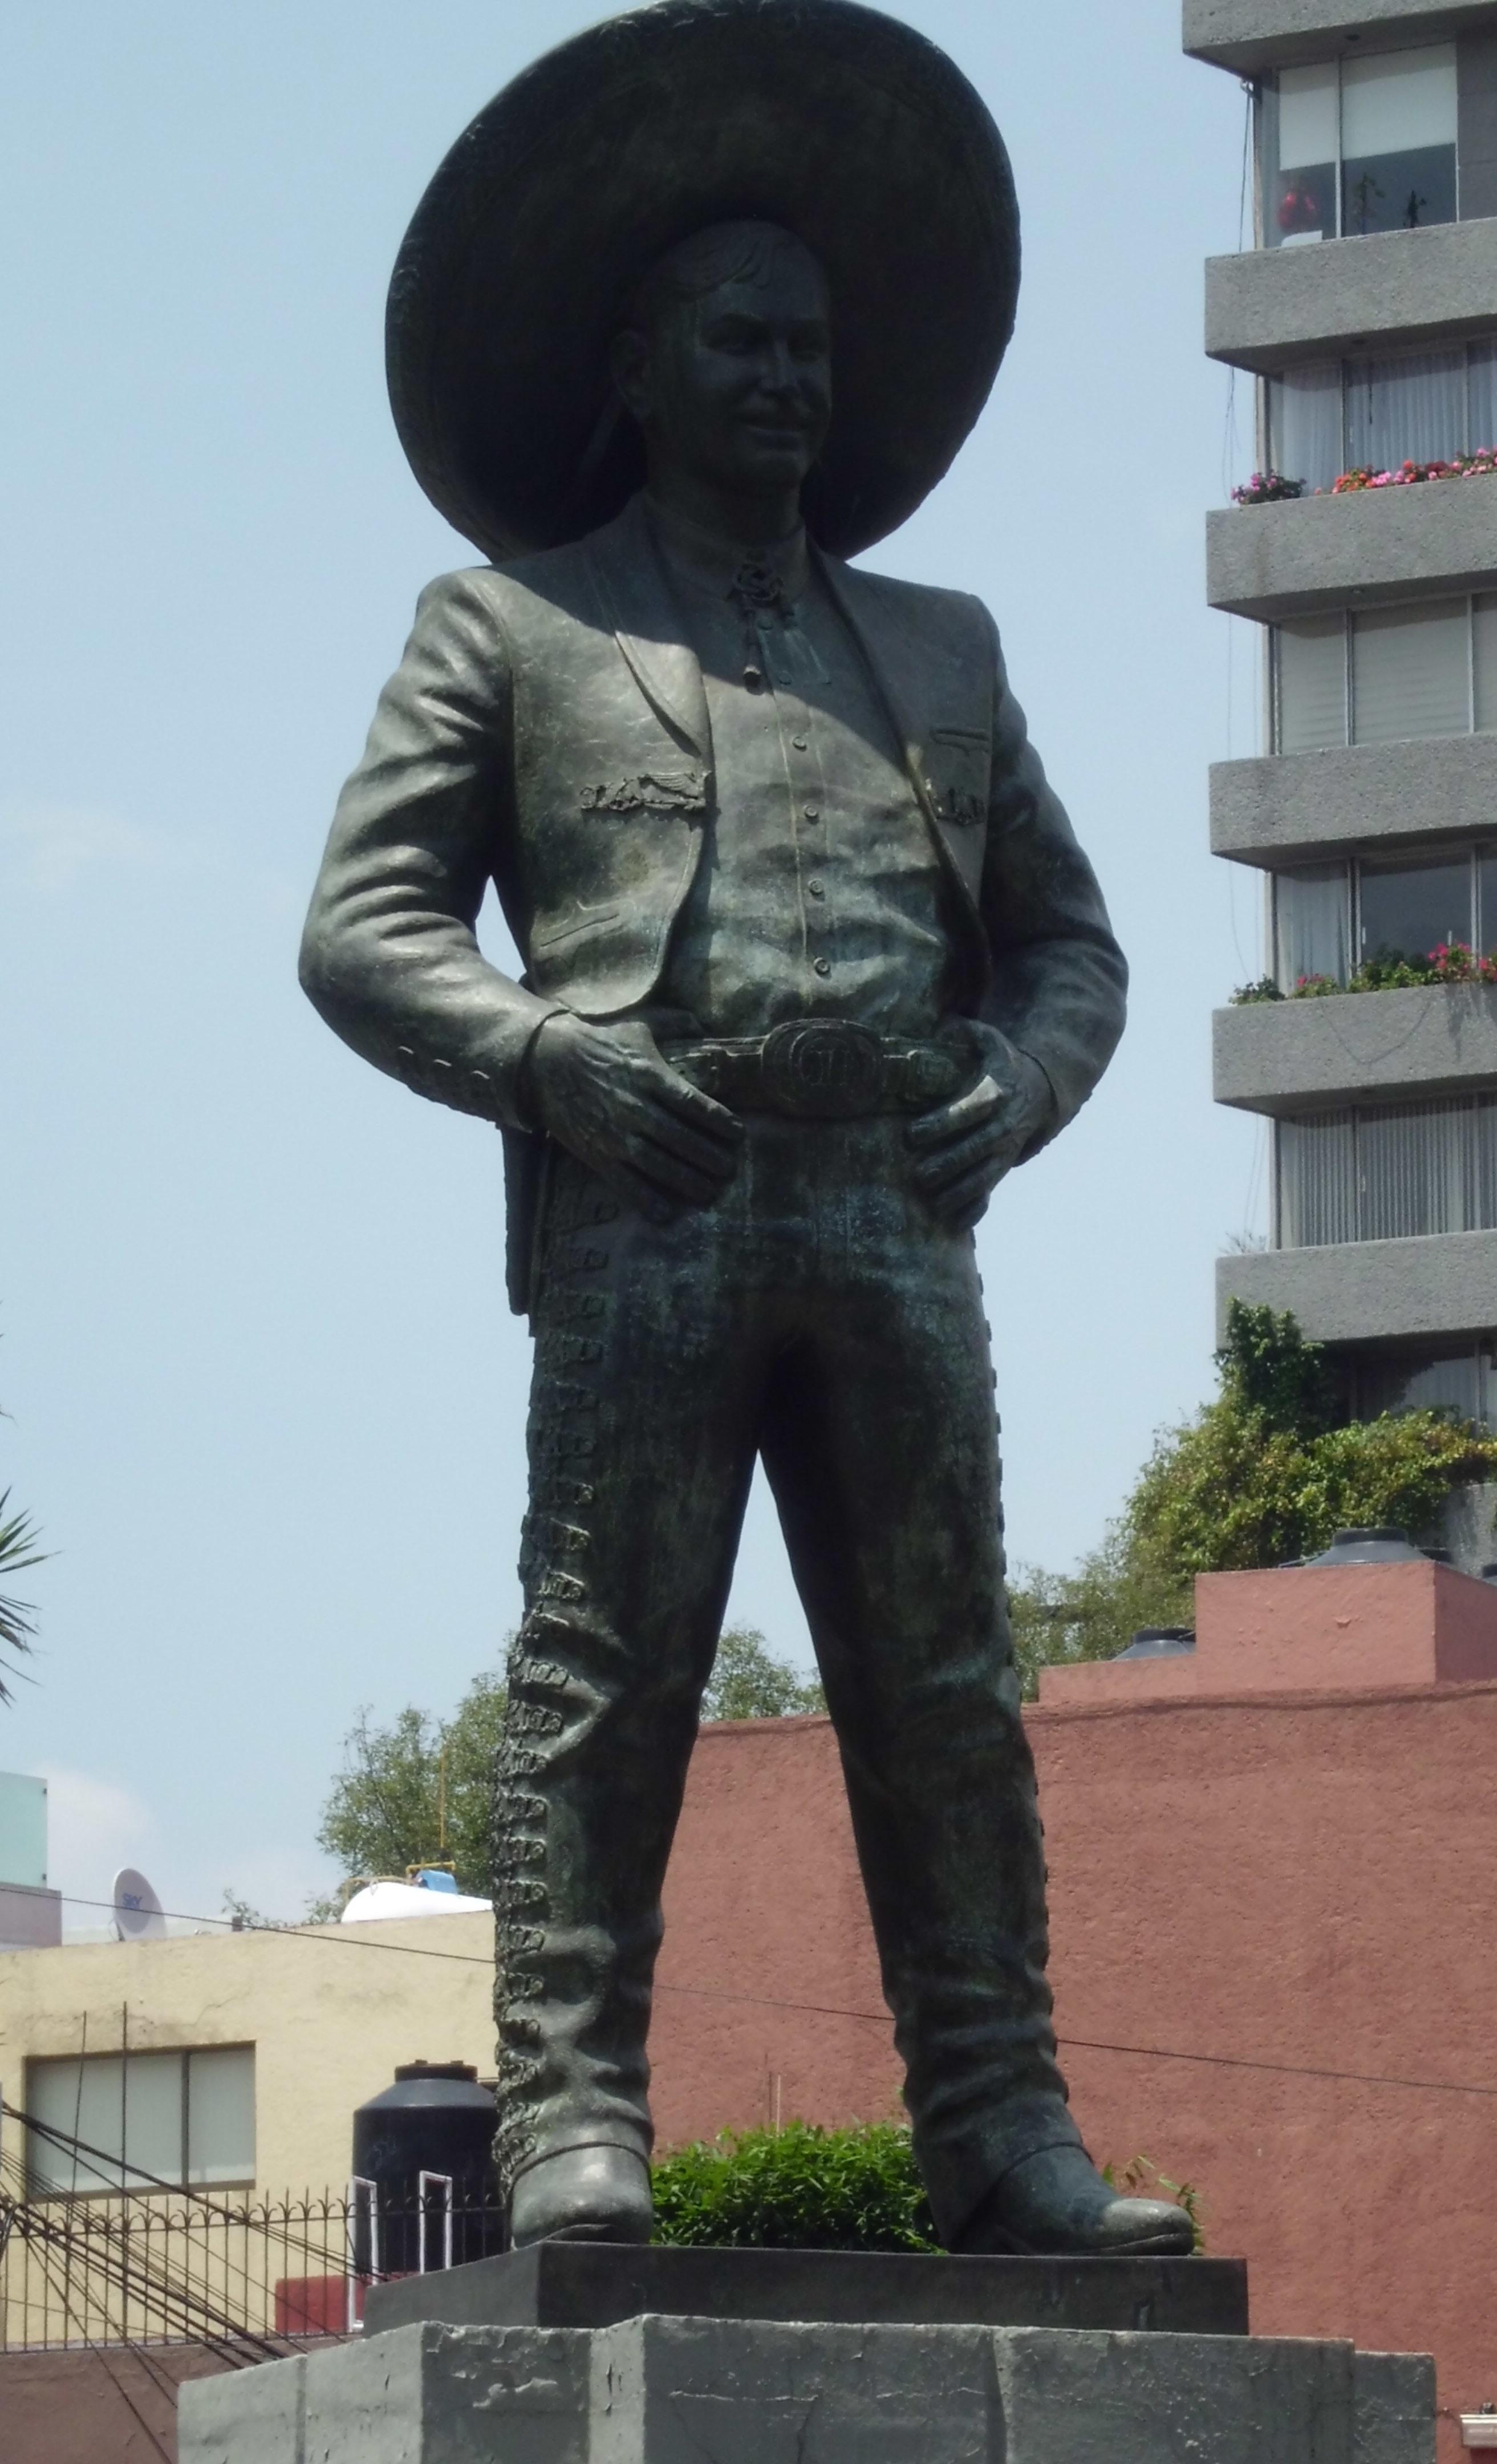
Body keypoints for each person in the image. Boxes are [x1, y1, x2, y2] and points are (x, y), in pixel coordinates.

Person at [299, 0, 1190, 2261]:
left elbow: (1073, 951)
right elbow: (360, 923)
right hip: (654, 1189)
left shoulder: (951, 651)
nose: (791, 378)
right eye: (740, 340)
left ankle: (998, 2125)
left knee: (950, 1689)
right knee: (604, 1670)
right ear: (640, 368)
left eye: (812, 345)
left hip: (898, 1203)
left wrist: (1019, 1086)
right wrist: (533, 1055)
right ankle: (573, 2118)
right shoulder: (510, 625)